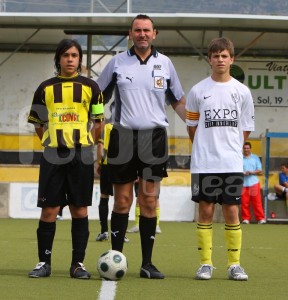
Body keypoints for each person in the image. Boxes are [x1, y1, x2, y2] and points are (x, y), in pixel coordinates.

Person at [96, 14, 186, 279]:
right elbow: (97, 97)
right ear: (130, 33)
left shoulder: (166, 64)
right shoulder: (116, 63)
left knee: (148, 199)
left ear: (154, 34)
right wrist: (93, 125)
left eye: (147, 30)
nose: (142, 34)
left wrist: (196, 128)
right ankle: (116, 258)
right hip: (123, 139)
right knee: (122, 200)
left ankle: (147, 263)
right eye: (138, 30)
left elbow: (178, 102)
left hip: (154, 140)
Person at [27, 39, 104, 279]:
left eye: (74, 55)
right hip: (53, 155)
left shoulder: (91, 87)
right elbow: (38, 124)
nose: (70, 59)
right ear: (58, 59)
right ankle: (44, 262)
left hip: (81, 154)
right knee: (49, 210)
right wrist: (50, 142)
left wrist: (86, 144)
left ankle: (77, 264)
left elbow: (99, 122)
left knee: (79, 209)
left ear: (79, 59)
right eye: (66, 55)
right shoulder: (45, 88)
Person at [186, 37, 254, 281]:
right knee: (205, 211)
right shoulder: (198, 90)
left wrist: (230, 147)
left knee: (232, 211)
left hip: (231, 163)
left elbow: (245, 129)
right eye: (215, 56)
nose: (220, 60)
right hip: (204, 162)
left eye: (224, 56)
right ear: (209, 59)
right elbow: (192, 126)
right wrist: (206, 146)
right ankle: (205, 264)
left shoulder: (242, 92)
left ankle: (234, 264)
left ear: (232, 59)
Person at [95, 122, 129, 243]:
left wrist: (99, 162)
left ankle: (104, 231)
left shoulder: (107, 126)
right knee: (123, 198)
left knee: (104, 196)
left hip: (107, 165)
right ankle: (121, 233)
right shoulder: (127, 125)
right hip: (123, 165)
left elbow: (100, 145)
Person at [241, 142, 266, 224]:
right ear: (243, 149)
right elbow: (236, 169)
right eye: (244, 148)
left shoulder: (255, 158)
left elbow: (259, 169)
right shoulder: (239, 158)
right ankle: (246, 219)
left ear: (250, 149)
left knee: (257, 202)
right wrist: (243, 173)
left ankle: (260, 219)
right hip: (243, 184)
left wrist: (251, 172)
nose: (246, 150)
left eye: (247, 148)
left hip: (254, 183)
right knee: (244, 203)